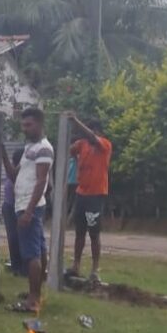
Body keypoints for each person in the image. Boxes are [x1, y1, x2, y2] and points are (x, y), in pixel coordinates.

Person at [1, 107, 54, 314]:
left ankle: (33, 301)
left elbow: (42, 181)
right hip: (22, 204)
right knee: (38, 251)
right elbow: (15, 176)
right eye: (23, 125)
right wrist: (4, 154)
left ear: (40, 124)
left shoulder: (44, 149)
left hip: (29, 206)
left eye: (29, 125)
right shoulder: (29, 148)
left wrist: (29, 211)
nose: (25, 129)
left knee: (31, 254)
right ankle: (36, 293)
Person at [66, 114, 112, 284]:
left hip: (96, 194)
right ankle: (76, 265)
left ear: (97, 131)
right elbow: (70, 149)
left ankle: (94, 270)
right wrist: (75, 152)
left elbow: (92, 137)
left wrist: (76, 122)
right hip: (81, 193)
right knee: (79, 232)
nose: (88, 135)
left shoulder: (105, 145)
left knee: (94, 234)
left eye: (91, 132)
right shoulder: (82, 144)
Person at [1, 149, 25, 276]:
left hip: (20, 207)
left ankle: (22, 265)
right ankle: (17, 266)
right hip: (10, 207)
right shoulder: (13, 173)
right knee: (13, 237)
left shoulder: (24, 173)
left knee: (22, 237)